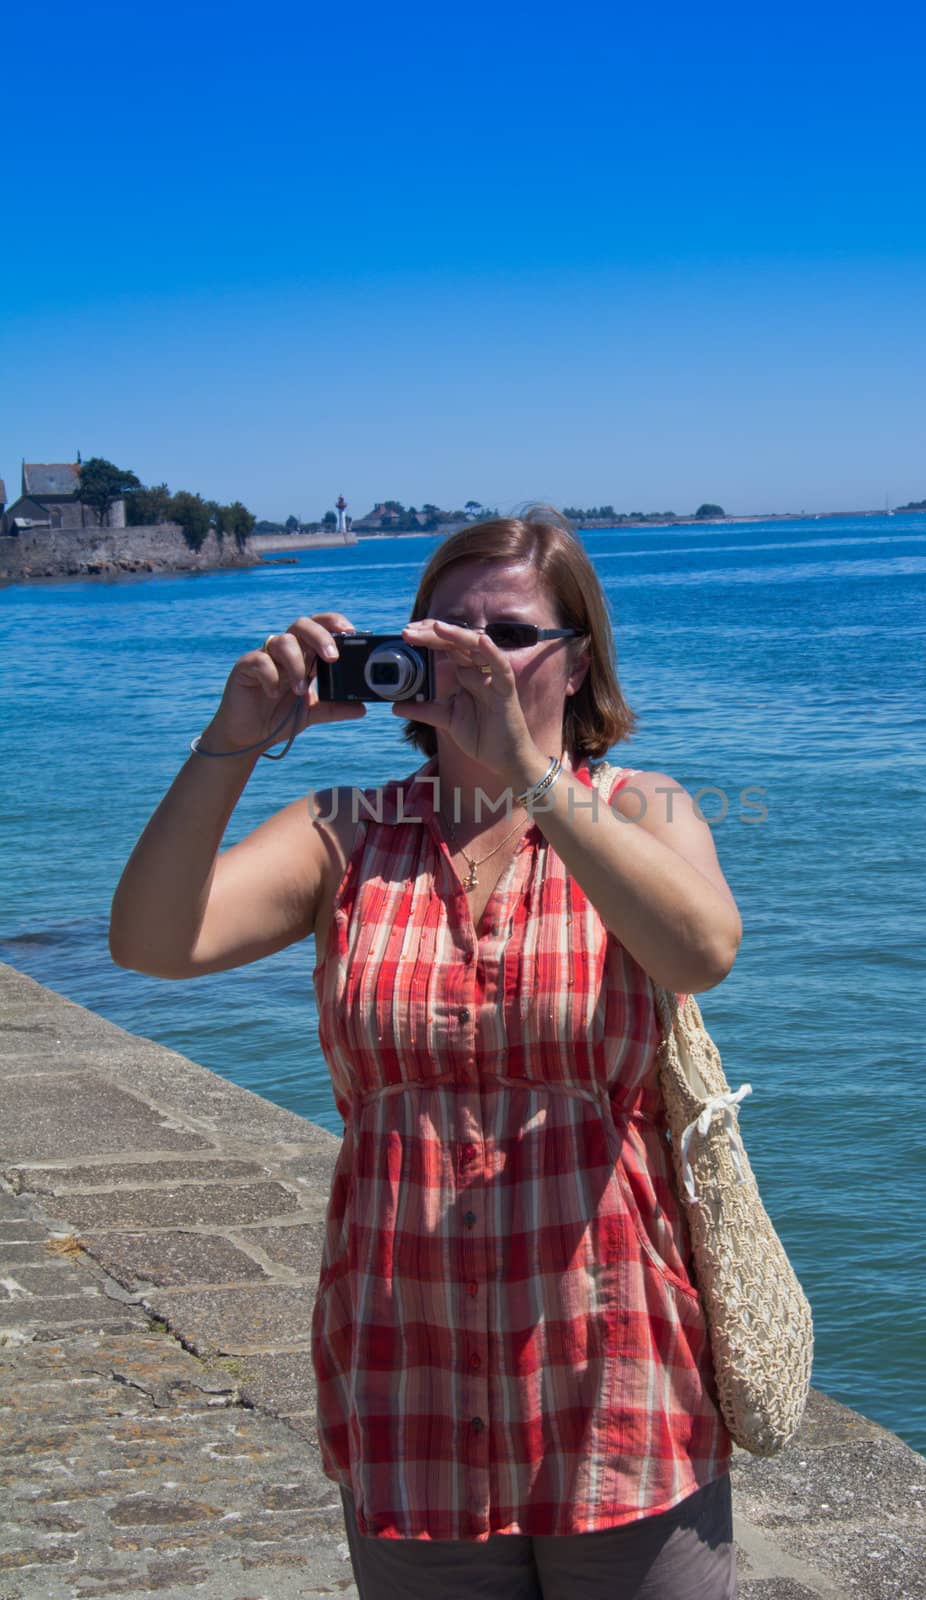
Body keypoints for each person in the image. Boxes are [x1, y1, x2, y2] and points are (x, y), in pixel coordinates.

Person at [109, 505, 744, 1600]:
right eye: (444, 630)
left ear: (576, 659)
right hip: (409, 1380)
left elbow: (700, 951)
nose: (469, 656)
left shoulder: (644, 808)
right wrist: (236, 735)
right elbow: (154, 940)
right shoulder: (343, 830)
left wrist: (533, 776)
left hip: (618, 1377)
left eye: (503, 634)